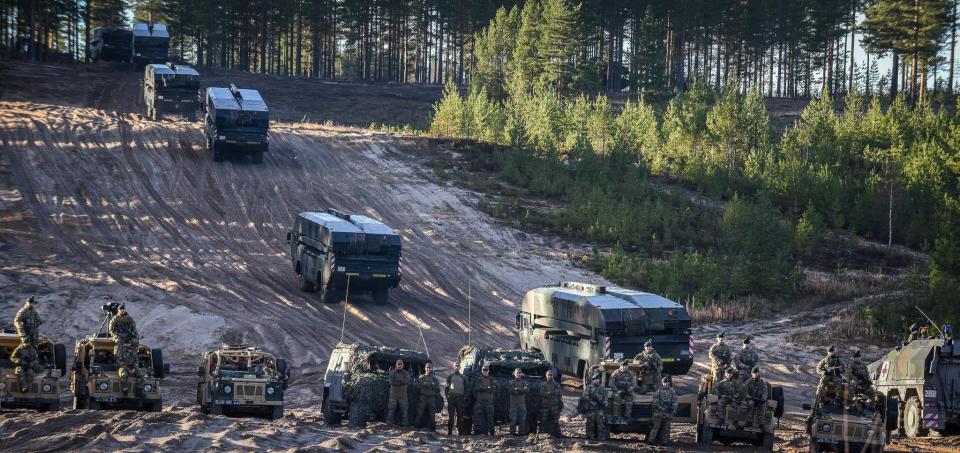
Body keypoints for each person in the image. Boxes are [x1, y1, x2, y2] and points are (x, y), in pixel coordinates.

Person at [109, 304, 144, 396]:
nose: (122, 311)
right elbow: (111, 330)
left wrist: (133, 340)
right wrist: (117, 337)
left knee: (140, 374)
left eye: (123, 309)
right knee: (124, 375)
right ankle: (125, 390)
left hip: (128, 338)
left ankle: (139, 391)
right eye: (120, 309)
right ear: (118, 310)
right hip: (119, 338)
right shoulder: (115, 319)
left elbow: (134, 330)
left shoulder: (129, 319)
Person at [649, 375, 677, 445]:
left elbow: (675, 401)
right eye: (665, 383)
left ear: (669, 383)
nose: (666, 384)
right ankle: (650, 440)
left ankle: (664, 442)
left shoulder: (672, 391)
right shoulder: (658, 391)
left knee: (666, 429)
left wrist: (672, 408)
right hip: (659, 413)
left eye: (667, 383)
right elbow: (655, 401)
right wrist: (661, 408)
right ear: (662, 383)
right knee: (655, 428)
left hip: (668, 413)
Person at [580, 370, 608, 441]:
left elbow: (605, 397)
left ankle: (601, 437)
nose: (596, 381)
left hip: (599, 409)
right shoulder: (589, 387)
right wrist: (592, 402)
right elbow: (585, 396)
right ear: (593, 380)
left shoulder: (602, 388)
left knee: (601, 424)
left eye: (597, 379)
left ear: (599, 380)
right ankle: (590, 437)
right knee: (590, 424)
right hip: (591, 409)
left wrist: (604, 403)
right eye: (595, 380)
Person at [415, 363, 441, 430]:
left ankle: (432, 428)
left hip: (431, 398)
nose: (428, 369)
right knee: (419, 412)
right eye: (427, 367)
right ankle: (416, 426)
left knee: (432, 414)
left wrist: (430, 385)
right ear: (425, 368)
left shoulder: (435, 379)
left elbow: (438, 388)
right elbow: (418, 386)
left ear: (431, 369)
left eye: (430, 368)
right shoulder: (421, 377)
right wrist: (426, 385)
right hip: (423, 397)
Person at [472, 364, 496, 435]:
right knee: (479, 418)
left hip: (489, 402)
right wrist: (487, 389)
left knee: (490, 418)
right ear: (482, 371)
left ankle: (492, 433)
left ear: (489, 371)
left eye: (486, 370)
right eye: (484, 370)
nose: (485, 371)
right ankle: (479, 432)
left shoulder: (491, 379)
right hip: (480, 402)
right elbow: (477, 388)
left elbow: (494, 388)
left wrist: (485, 389)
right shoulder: (479, 379)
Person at [386, 359, 412, 426]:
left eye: (401, 364)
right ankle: (389, 423)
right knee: (391, 411)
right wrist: (402, 381)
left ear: (403, 365)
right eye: (398, 364)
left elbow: (408, 381)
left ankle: (405, 424)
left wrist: (398, 381)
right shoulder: (392, 373)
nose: (400, 365)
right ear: (396, 365)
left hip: (403, 396)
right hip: (393, 396)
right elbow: (392, 382)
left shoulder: (406, 373)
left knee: (404, 411)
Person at [539, 369, 563, 438]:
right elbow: (542, 393)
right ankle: (541, 434)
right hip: (545, 405)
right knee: (543, 420)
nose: (550, 376)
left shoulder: (556, 384)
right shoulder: (543, 384)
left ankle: (558, 434)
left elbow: (558, 392)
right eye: (549, 375)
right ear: (546, 376)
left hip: (554, 406)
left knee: (556, 420)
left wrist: (549, 393)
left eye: (551, 375)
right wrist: (550, 393)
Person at [445, 363, 467, 435]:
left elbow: (467, 388)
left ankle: (460, 431)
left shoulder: (463, 377)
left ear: (460, 367)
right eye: (455, 366)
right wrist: (447, 397)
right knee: (451, 416)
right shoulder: (450, 376)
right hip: (452, 398)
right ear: (453, 367)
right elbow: (446, 387)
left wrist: (464, 397)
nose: (457, 367)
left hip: (460, 398)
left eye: (458, 366)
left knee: (460, 415)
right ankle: (450, 431)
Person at [508, 368, 529, 436]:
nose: (519, 374)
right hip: (513, 404)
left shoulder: (524, 382)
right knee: (513, 420)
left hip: (522, 404)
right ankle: (512, 433)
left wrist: (517, 390)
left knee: (522, 420)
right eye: (517, 373)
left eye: (520, 373)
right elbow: (512, 391)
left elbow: (526, 390)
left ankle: (521, 433)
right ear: (514, 374)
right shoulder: (511, 382)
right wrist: (521, 390)